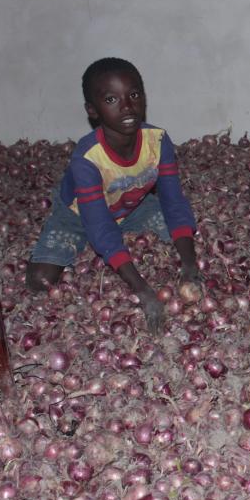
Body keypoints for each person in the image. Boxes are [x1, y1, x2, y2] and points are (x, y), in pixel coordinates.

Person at [26, 57, 199, 332]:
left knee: (184, 234)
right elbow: (99, 226)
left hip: (132, 206)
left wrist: (190, 265)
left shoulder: (158, 141)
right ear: (92, 111)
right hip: (78, 215)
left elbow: (173, 201)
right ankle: (85, 247)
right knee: (39, 281)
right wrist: (142, 290)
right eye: (111, 100)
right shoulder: (87, 158)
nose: (127, 106)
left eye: (133, 95)